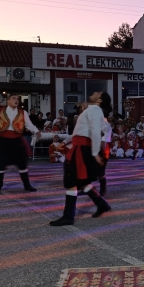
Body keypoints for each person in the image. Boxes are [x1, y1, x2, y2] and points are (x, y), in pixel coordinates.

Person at [50, 91, 111, 226]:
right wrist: (66, 142)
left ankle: (68, 216)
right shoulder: (92, 110)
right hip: (80, 147)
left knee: (72, 181)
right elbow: (81, 131)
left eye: (97, 93)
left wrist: (95, 153)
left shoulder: (95, 110)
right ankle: (101, 204)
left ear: (99, 100)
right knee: (81, 182)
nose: (94, 92)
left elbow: (95, 131)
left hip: (82, 149)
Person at [0, 94, 40, 194]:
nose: (16, 100)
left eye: (18, 99)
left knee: (22, 163)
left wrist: (36, 131)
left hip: (17, 140)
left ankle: (27, 185)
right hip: (3, 140)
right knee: (0, 164)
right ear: (8, 101)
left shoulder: (23, 112)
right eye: (14, 98)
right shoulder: (0, 111)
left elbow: (28, 124)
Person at [96, 93, 113, 197]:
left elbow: (104, 141)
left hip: (102, 149)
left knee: (100, 171)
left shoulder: (106, 125)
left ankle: (103, 188)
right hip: (95, 148)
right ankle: (86, 187)